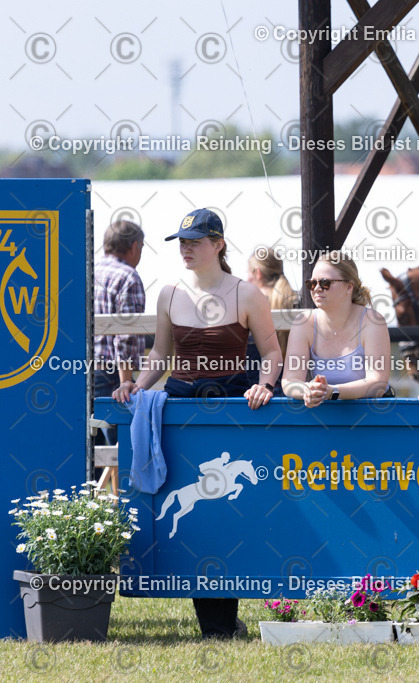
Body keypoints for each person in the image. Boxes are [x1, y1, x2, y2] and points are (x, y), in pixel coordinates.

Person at [112, 207, 282, 639]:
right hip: (182, 409)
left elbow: (273, 352)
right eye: (181, 241)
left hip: (232, 407)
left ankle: (224, 621)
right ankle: (216, 623)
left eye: (195, 241)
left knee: (229, 512)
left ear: (218, 245)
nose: (185, 248)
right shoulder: (168, 293)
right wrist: (135, 385)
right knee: (193, 516)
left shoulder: (247, 294)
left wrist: (264, 385)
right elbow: (161, 355)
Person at [283, 251, 391, 403]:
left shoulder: (372, 320)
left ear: (349, 287)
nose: (316, 288)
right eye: (312, 283)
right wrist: (308, 390)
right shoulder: (303, 322)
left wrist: (332, 391)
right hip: (322, 417)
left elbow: (377, 385)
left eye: (325, 282)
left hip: (371, 419)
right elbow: (290, 381)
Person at [93, 219, 146, 445]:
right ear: (134, 246)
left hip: (81, 368)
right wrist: (126, 381)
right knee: (123, 444)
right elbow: (127, 333)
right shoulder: (128, 277)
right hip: (111, 373)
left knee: (89, 443)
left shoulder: (87, 271)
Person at [246, 248, 299, 389]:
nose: (246, 280)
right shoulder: (296, 301)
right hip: (291, 389)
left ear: (258, 273)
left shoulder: (249, 305)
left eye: (248, 273)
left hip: (254, 392)